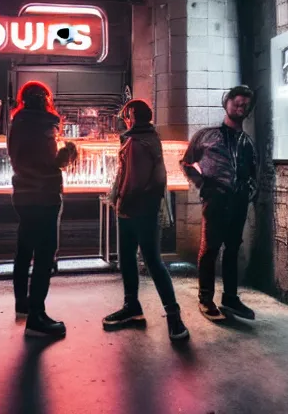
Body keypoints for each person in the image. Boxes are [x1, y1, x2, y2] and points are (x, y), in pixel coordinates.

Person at [103, 99, 189, 342]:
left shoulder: (138, 141)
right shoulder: (147, 138)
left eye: (126, 116)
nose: (125, 120)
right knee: (132, 259)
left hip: (135, 209)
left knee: (151, 261)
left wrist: (122, 202)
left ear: (132, 115)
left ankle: (173, 317)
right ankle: (134, 308)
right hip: (137, 209)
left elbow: (135, 181)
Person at [181, 85, 257, 321]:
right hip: (216, 200)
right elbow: (186, 162)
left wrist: (250, 192)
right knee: (210, 249)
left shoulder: (247, 142)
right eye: (236, 102)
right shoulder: (207, 135)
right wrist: (203, 184)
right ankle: (205, 299)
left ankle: (230, 298)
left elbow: (253, 172)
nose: (240, 107)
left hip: (239, 201)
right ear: (227, 103)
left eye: (245, 105)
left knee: (233, 249)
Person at [8, 81, 77, 338]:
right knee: (45, 255)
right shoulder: (46, 124)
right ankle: (37, 316)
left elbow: (17, 158)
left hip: (22, 195)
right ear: (46, 100)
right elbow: (49, 163)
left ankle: (22, 304)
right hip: (44, 196)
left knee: (24, 250)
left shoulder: (17, 123)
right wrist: (67, 153)